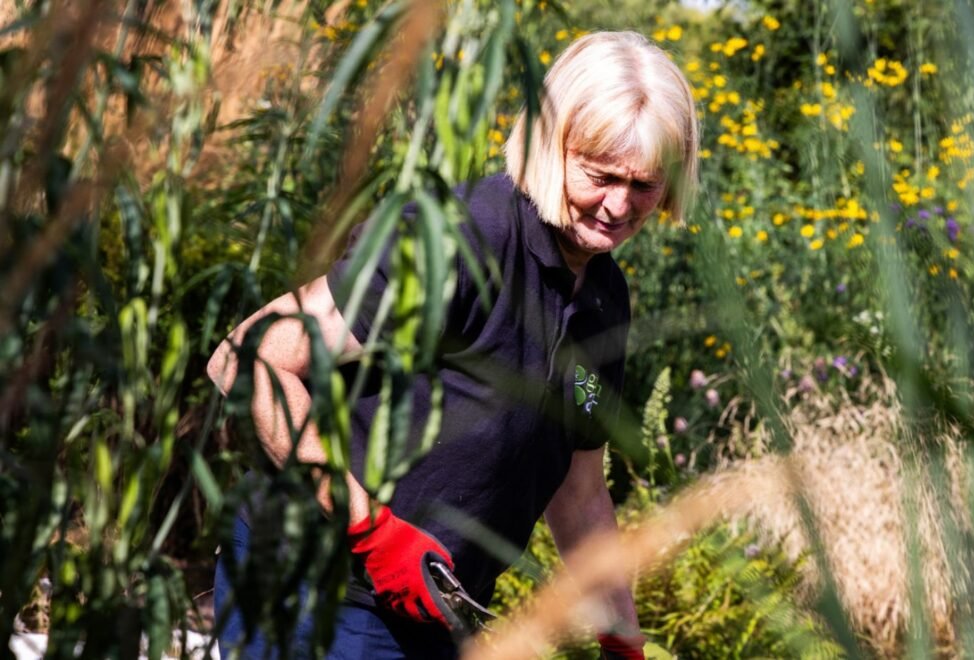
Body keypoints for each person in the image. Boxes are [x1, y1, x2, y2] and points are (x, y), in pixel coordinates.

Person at [206, 30, 699, 659]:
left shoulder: (604, 298)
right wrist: (370, 532)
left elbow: (579, 490)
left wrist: (621, 634)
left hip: (433, 612)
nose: (619, 206)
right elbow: (247, 360)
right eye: (601, 176)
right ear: (553, 145)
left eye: (646, 185)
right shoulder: (459, 239)